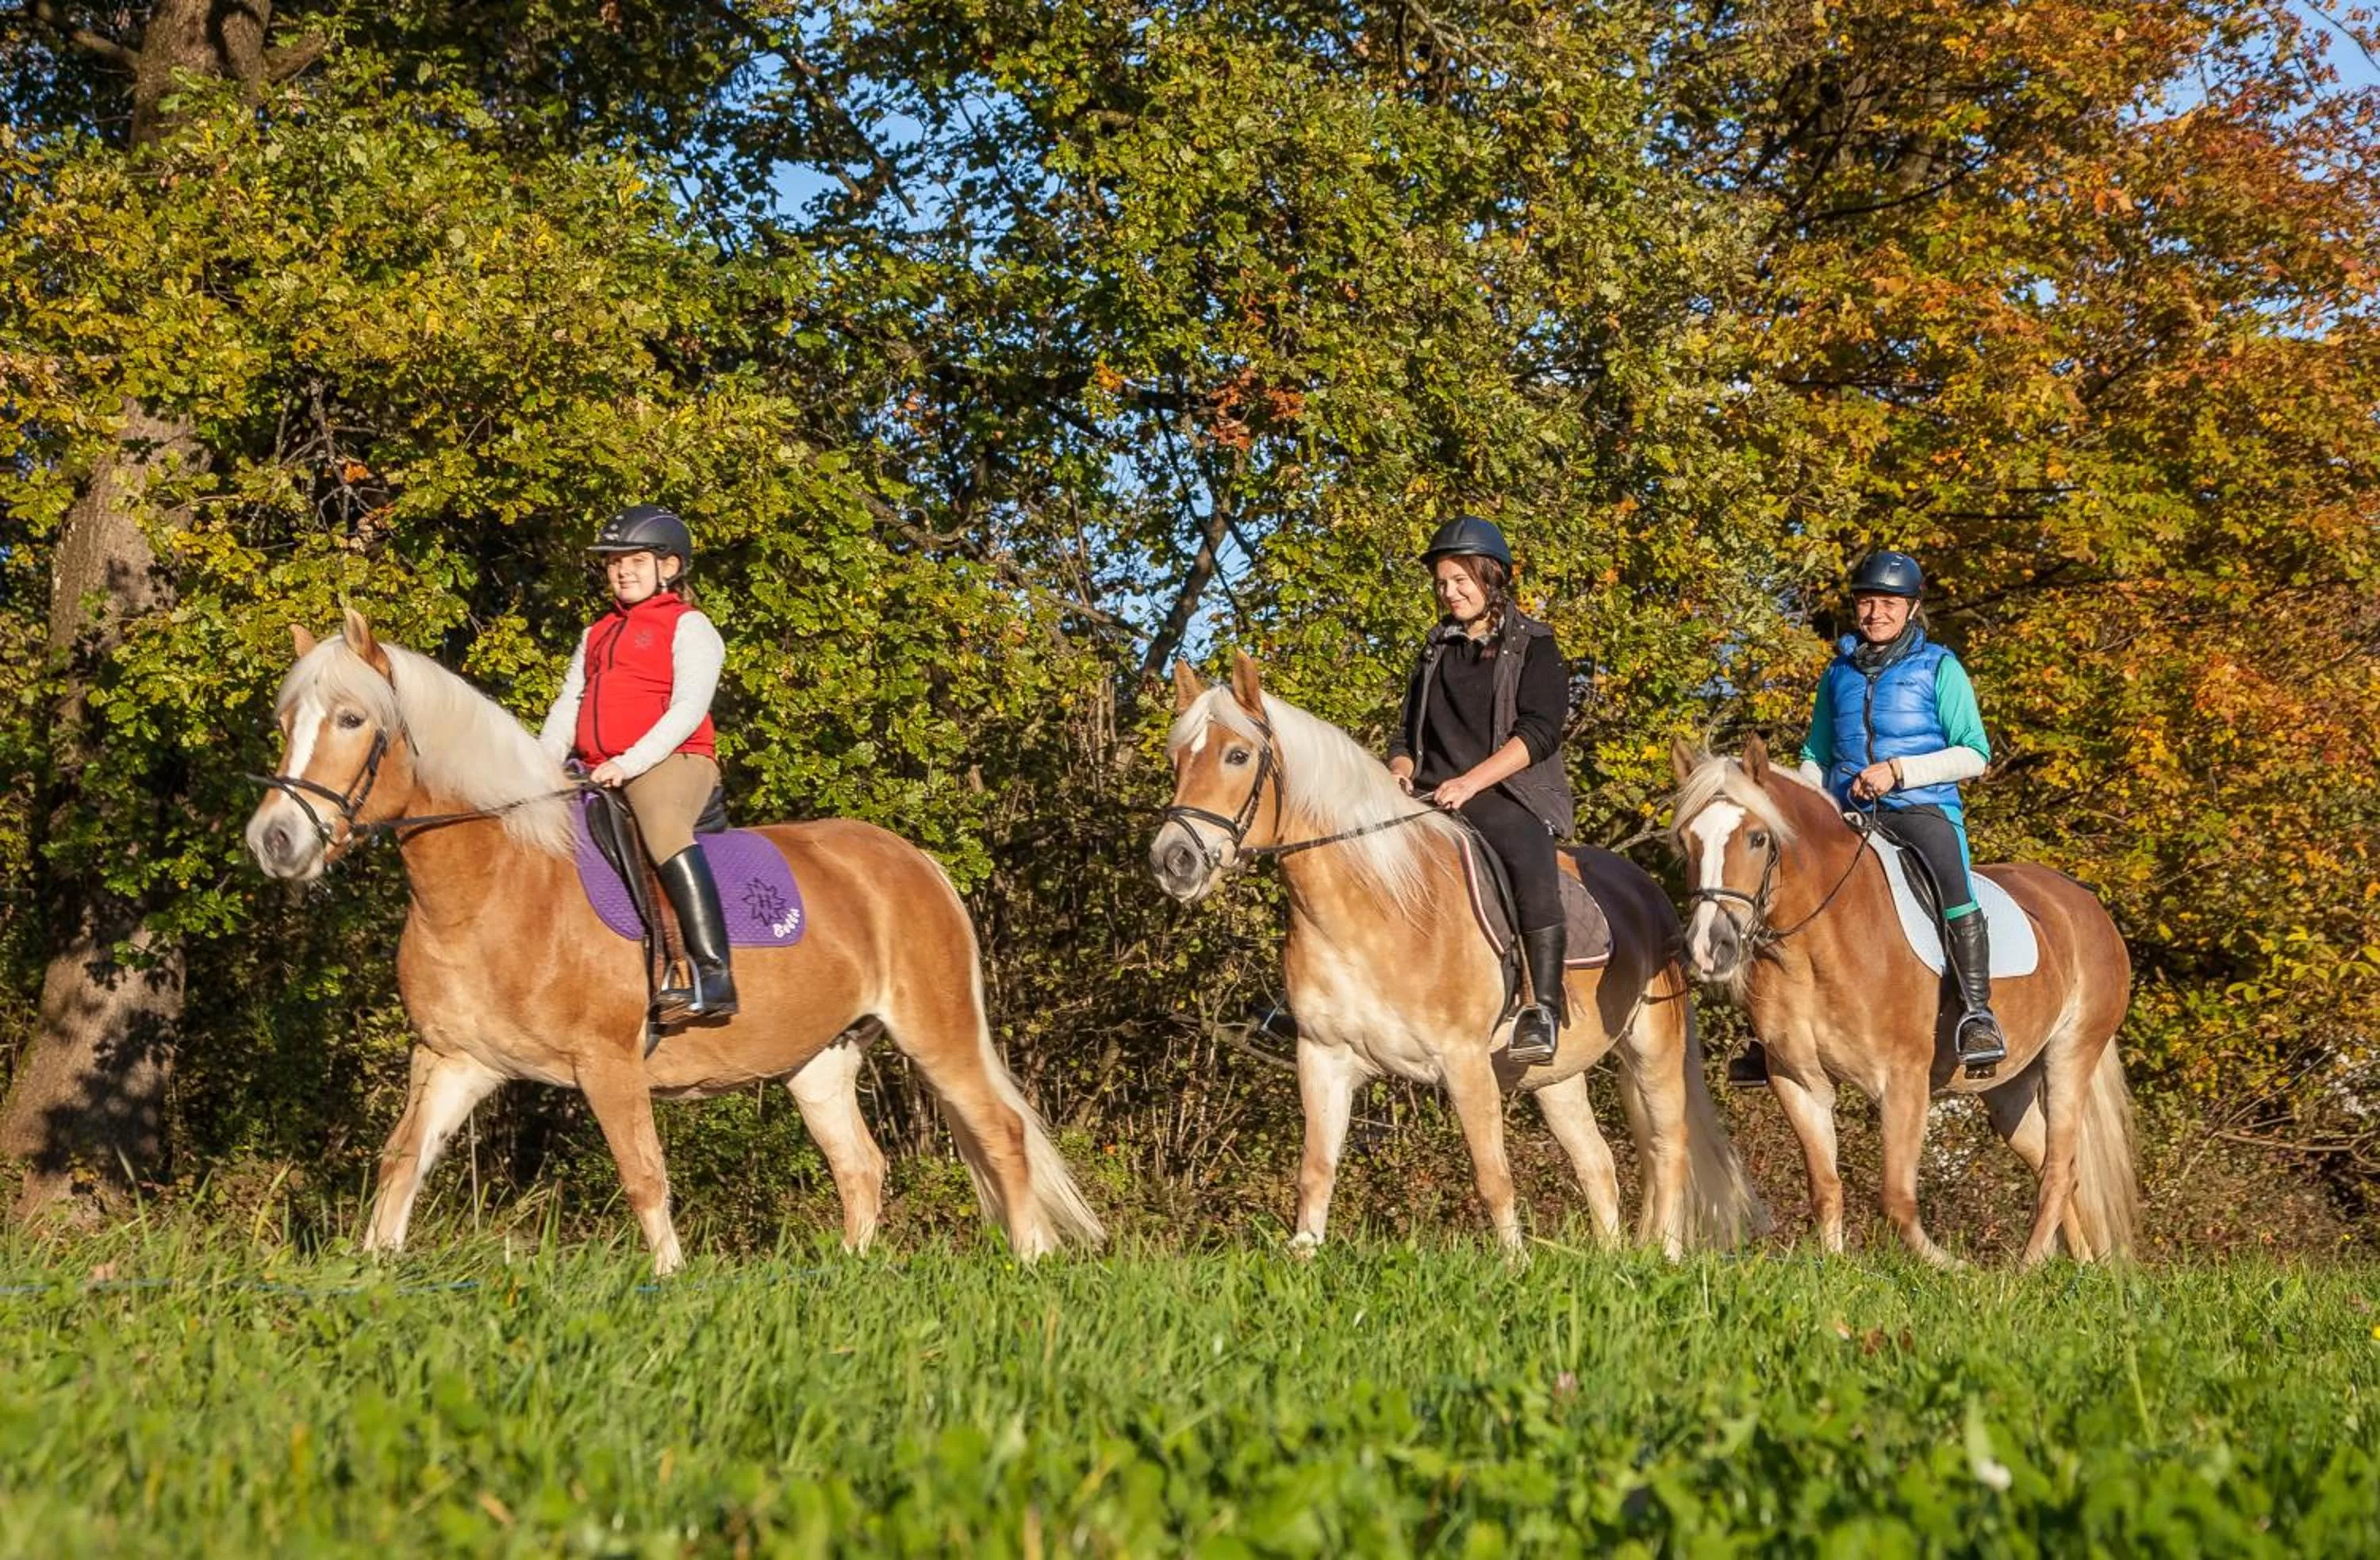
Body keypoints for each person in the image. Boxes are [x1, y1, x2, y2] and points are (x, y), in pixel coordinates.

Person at [1737, 550, 2004, 1082]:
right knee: (1770, 886)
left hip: (1920, 808)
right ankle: (1765, 1029)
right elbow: (1817, 753)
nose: (1875, 613)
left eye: (1888, 603)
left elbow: (1974, 754)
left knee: (1952, 886)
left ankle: (1977, 1013)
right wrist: (1810, 805)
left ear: (1911, 608)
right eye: (1866, 601)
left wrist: (1898, 771)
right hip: (1846, 815)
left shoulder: (1940, 667)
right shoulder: (1839, 672)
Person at [1387, 516, 1575, 1066]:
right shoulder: (1433, 650)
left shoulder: (1536, 644)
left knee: (1529, 860)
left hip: (1506, 793)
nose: (1450, 593)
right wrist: (1399, 772)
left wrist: (1470, 783)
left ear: (1492, 577)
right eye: (1442, 583)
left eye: (1460, 580)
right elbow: (1405, 734)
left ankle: (1541, 1007)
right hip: (1427, 795)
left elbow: (1540, 733)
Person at [541, 503, 737, 1021]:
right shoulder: (596, 632)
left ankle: (714, 975)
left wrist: (630, 763)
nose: (622, 570)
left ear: (668, 568)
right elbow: (570, 703)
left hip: (674, 760)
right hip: (597, 766)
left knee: (661, 825)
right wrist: (538, 763)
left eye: (636, 559)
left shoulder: (690, 627)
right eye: (613, 562)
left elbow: (689, 708)